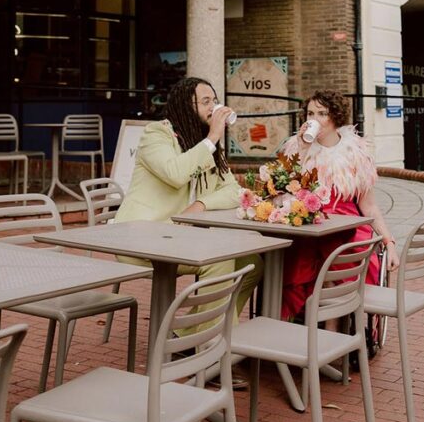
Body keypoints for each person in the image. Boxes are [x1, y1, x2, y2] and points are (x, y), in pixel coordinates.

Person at [115, 76, 263, 333]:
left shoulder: (207, 144)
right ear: (186, 105)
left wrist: (202, 204)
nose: (213, 107)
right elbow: (175, 173)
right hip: (141, 235)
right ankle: (210, 346)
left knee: (252, 263)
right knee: (219, 260)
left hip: (180, 236)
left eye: (214, 101)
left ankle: (190, 332)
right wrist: (213, 136)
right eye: (206, 101)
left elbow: (233, 191)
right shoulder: (156, 134)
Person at [280, 89, 399, 322]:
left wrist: (389, 242)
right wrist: (302, 152)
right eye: (310, 113)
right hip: (307, 224)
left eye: (321, 113)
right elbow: (283, 192)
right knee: (299, 256)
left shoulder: (355, 153)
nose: (313, 119)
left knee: (334, 255)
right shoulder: (295, 148)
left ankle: (331, 333)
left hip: (349, 226)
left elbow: (370, 207)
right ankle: (290, 331)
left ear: (334, 117)